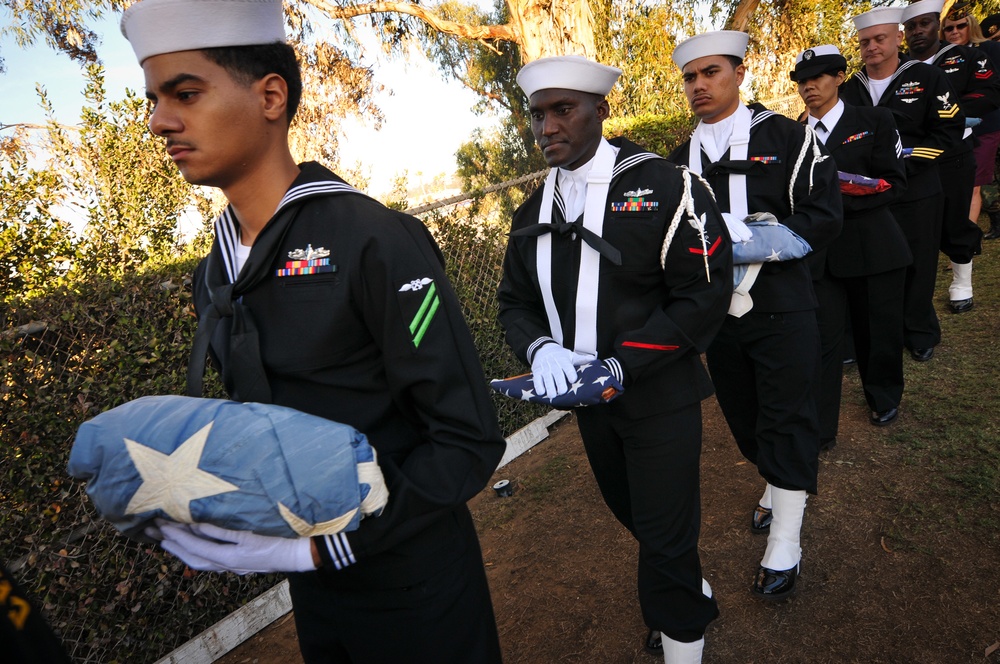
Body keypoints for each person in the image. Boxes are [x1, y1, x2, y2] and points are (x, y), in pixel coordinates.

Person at [119, 1, 507, 662]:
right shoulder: (214, 272)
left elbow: (467, 440)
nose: (160, 120)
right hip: (317, 595)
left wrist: (328, 541)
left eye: (186, 92)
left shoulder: (374, 241)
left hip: (414, 587)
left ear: (271, 96)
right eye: (155, 98)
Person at [497, 55, 732, 664]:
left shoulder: (665, 185)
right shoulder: (531, 212)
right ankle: (683, 589)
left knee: (663, 538)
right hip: (591, 407)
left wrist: (622, 364)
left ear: (601, 110)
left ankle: (681, 630)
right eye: (538, 115)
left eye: (562, 110)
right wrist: (539, 347)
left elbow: (703, 293)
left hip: (660, 399)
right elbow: (513, 304)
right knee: (641, 520)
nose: (547, 127)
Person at [666, 31, 842, 602]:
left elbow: (824, 212)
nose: (699, 85)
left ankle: (787, 538)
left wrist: (759, 239)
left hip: (784, 303)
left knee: (788, 416)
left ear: (739, 73)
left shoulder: (787, 137)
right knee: (745, 421)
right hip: (718, 316)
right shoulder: (675, 164)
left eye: (711, 72)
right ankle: (775, 483)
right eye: (691, 77)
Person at [792, 45, 910, 437]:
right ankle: (822, 426)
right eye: (802, 81)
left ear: (840, 77)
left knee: (878, 332)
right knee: (821, 343)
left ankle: (884, 397)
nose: (809, 87)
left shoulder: (875, 120)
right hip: (819, 257)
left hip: (872, 247)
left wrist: (829, 199)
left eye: (818, 77)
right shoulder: (793, 134)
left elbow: (893, 182)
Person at [841, 7, 966, 362]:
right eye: (865, 41)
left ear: (898, 38)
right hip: (867, 194)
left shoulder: (928, 77)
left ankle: (919, 330)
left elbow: (949, 131)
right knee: (869, 264)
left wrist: (901, 164)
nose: (872, 47)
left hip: (918, 187)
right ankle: (868, 335)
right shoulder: (850, 88)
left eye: (880, 39)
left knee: (918, 263)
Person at [902, 0, 994, 315]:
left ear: (936, 26)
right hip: (911, 158)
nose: (917, 31)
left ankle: (961, 282)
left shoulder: (967, 56)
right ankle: (913, 293)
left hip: (953, 153)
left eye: (924, 23)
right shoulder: (899, 67)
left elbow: (988, 92)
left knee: (955, 221)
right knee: (913, 227)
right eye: (911, 26)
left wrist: (946, 119)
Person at [943, 4, 1000, 240]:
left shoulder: (989, 49)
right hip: (949, 130)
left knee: (974, 184)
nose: (955, 31)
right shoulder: (938, 57)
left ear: (971, 25)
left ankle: (964, 241)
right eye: (948, 28)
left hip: (986, 126)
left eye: (960, 25)